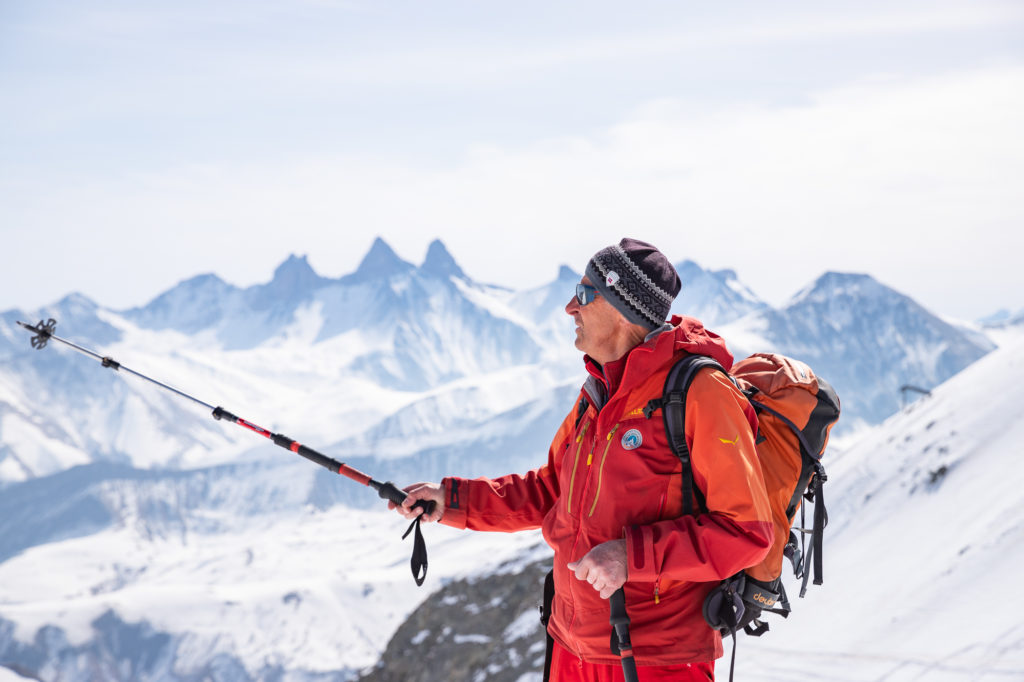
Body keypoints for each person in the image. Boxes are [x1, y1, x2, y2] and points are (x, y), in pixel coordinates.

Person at [393, 238, 773, 681]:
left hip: (656, 660)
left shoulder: (701, 394)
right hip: (572, 649)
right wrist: (452, 500)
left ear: (621, 309)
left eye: (585, 294)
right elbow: (551, 489)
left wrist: (630, 556)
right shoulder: (599, 392)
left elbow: (746, 532)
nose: (570, 307)